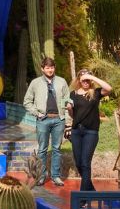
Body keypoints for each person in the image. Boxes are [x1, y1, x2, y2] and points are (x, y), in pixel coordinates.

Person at [23, 57, 72, 187]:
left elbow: (67, 102)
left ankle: (55, 176)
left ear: (54, 68)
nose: (50, 70)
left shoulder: (62, 82)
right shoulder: (35, 83)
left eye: (52, 67)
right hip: (43, 120)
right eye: (47, 67)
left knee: (56, 149)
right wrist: (37, 113)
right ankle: (41, 176)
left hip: (58, 119)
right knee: (42, 150)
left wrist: (67, 121)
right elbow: (27, 102)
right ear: (42, 68)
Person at [68, 71, 113, 192]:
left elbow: (109, 88)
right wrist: (69, 109)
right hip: (77, 131)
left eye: (88, 80)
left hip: (91, 132)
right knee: (78, 163)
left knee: (85, 163)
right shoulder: (73, 94)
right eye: (83, 79)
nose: (86, 82)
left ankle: (83, 197)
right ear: (79, 80)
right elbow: (73, 115)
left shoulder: (96, 93)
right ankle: (91, 191)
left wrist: (91, 77)